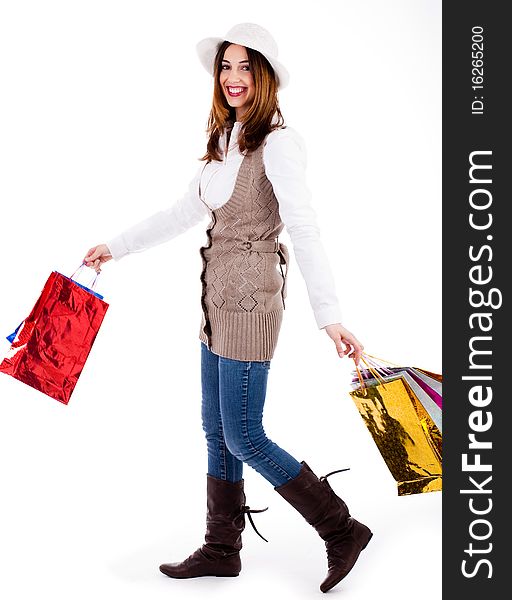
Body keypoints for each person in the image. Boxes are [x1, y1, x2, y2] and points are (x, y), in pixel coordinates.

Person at [83, 23, 372, 594]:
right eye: (225, 67)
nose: (233, 77)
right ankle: (221, 549)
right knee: (216, 431)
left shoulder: (279, 143)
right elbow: (178, 214)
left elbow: (306, 227)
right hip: (215, 300)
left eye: (245, 67)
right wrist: (114, 247)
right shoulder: (224, 142)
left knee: (244, 434)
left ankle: (341, 529)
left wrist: (329, 314)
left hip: (252, 300)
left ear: (263, 76)